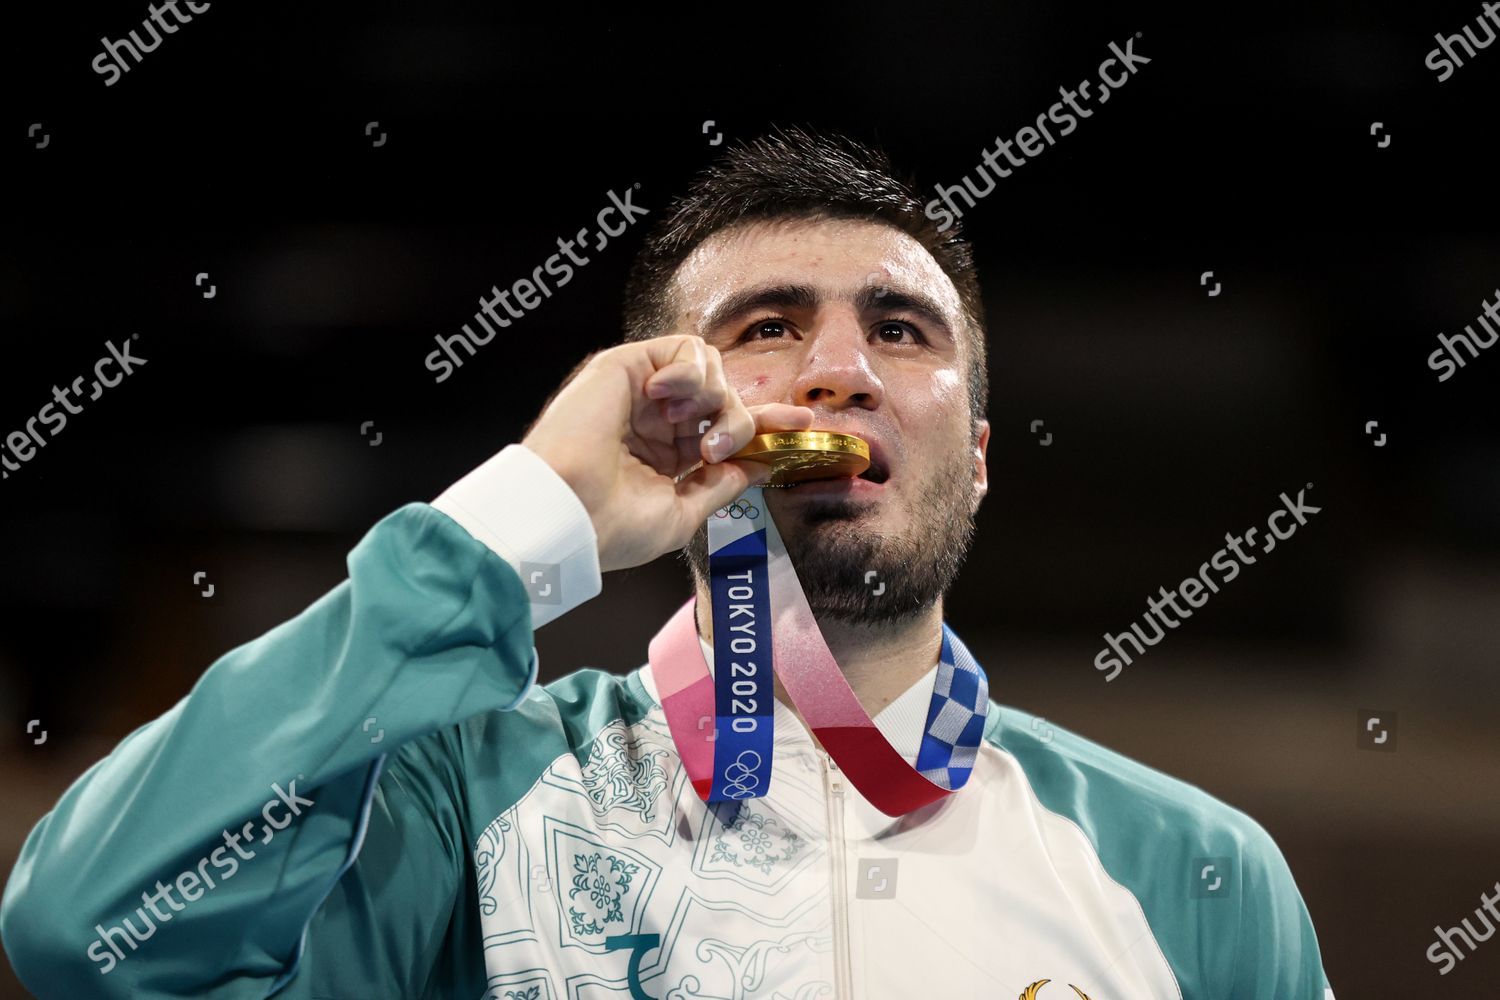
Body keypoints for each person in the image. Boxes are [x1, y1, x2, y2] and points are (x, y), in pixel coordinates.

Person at [0, 128, 1334, 999]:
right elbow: (84, 933)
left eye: (901, 330)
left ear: (977, 453)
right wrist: (521, 516)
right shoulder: (461, 807)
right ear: (671, 412)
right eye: (766, 327)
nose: (838, 370)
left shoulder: (1194, 874)